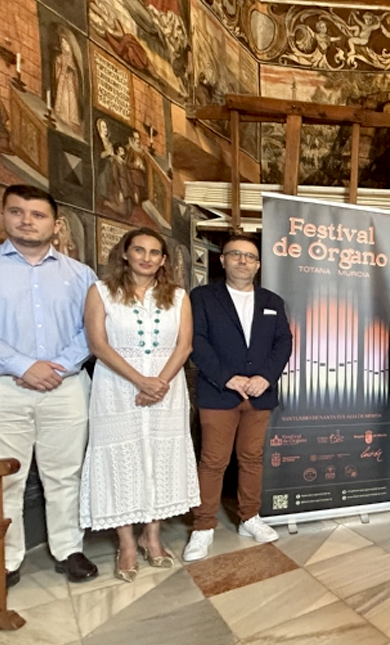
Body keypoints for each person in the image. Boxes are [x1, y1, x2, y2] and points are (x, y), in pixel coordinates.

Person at [80, 228, 198, 582]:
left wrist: (158, 383)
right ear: (125, 253)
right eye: (139, 250)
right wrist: (140, 381)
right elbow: (98, 345)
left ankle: (152, 537)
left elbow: (184, 346)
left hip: (167, 387)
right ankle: (127, 544)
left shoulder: (178, 296)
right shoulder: (101, 292)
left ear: (163, 260)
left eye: (154, 252)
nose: (146, 257)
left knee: (160, 457)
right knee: (121, 457)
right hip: (117, 388)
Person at [0, 185, 99, 588]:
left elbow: (92, 331)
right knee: (6, 478)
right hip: (7, 387)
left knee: (65, 474)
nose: (27, 221)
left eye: (38, 214)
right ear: (4, 216)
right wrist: (24, 366)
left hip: (66, 387)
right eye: (17, 211)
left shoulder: (81, 275)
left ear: (56, 225)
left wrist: (57, 367)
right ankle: (7, 558)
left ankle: (67, 548)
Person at [183, 235, 293, 561]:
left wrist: (265, 378)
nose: (243, 261)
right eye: (235, 255)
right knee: (213, 461)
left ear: (258, 265)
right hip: (219, 392)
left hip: (259, 394)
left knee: (252, 458)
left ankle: (249, 517)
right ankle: (203, 526)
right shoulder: (203, 297)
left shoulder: (272, 301)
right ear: (223, 260)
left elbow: (283, 343)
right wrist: (227, 377)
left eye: (250, 257)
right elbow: (196, 341)